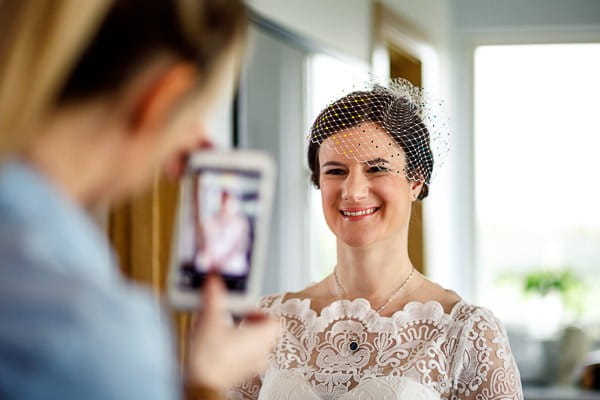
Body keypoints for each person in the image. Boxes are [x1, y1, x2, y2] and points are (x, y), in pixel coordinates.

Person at [0, 0, 279, 399]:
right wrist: (206, 383)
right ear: (160, 98)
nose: (195, 139)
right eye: (192, 113)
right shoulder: (93, 333)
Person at [229, 82, 524, 399]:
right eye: (335, 171)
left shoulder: (465, 332)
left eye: (377, 168)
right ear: (318, 181)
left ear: (416, 181)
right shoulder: (268, 321)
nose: (352, 191)